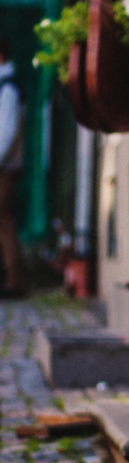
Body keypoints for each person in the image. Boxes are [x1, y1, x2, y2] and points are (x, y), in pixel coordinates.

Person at [0, 37, 24, 298]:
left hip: (3, 167)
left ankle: (14, 281)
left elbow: (6, 134)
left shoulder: (8, 87)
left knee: (3, 223)